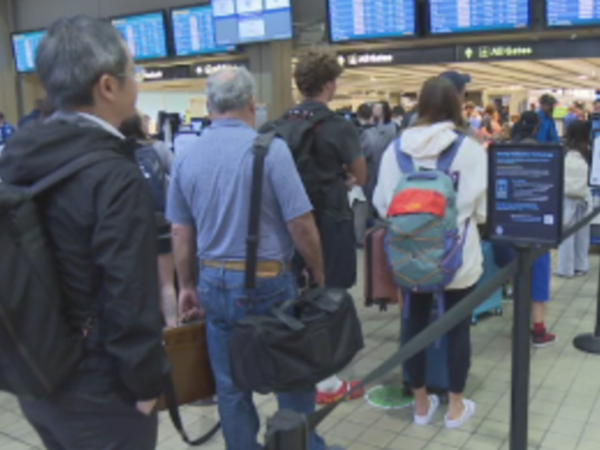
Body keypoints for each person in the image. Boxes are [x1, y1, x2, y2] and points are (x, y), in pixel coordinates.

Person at [0, 15, 167, 450]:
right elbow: (129, 296)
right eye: (135, 73)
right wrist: (147, 384)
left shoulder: (18, 155)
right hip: (101, 390)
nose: (139, 84)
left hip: (38, 372)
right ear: (108, 86)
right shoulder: (114, 175)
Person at [167, 67, 343, 450]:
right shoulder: (270, 150)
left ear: (210, 105)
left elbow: (180, 231)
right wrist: (318, 271)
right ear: (252, 104)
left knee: (229, 386)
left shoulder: (186, 155)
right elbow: (301, 223)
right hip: (269, 282)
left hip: (213, 282)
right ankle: (300, 443)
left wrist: (186, 286)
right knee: (292, 375)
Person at [373, 76, 487, 429]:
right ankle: (455, 408)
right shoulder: (469, 149)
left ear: (420, 105)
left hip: (409, 258)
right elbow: (483, 211)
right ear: (457, 105)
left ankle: (421, 405)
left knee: (414, 325)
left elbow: (381, 204)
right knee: (457, 329)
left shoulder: (396, 149)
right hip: (457, 259)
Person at [292, 51, 367, 404]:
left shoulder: (279, 125)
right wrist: (344, 181)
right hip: (331, 224)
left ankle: (302, 370)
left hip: (291, 226)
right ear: (328, 84)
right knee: (331, 295)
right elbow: (361, 175)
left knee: (298, 295)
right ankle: (328, 380)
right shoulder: (339, 126)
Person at [119, 113, 177, 328]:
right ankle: (174, 331)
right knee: (167, 284)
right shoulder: (158, 148)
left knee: (139, 285)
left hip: (131, 226)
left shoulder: (115, 153)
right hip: (161, 221)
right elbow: (178, 175)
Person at [512, 109, 557, 347]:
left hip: (509, 223)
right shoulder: (543, 153)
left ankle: (518, 326)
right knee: (538, 279)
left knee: (518, 277)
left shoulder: (506, 150)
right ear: (538, 128)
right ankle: (538, 331)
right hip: (536, 224)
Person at [556, 120, 591, 278]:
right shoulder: (589, 150)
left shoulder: (563, 149)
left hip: (566, 197)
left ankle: (565, 268)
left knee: (566, 234)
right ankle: (581, 266)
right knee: (582, 234)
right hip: (584, 197)